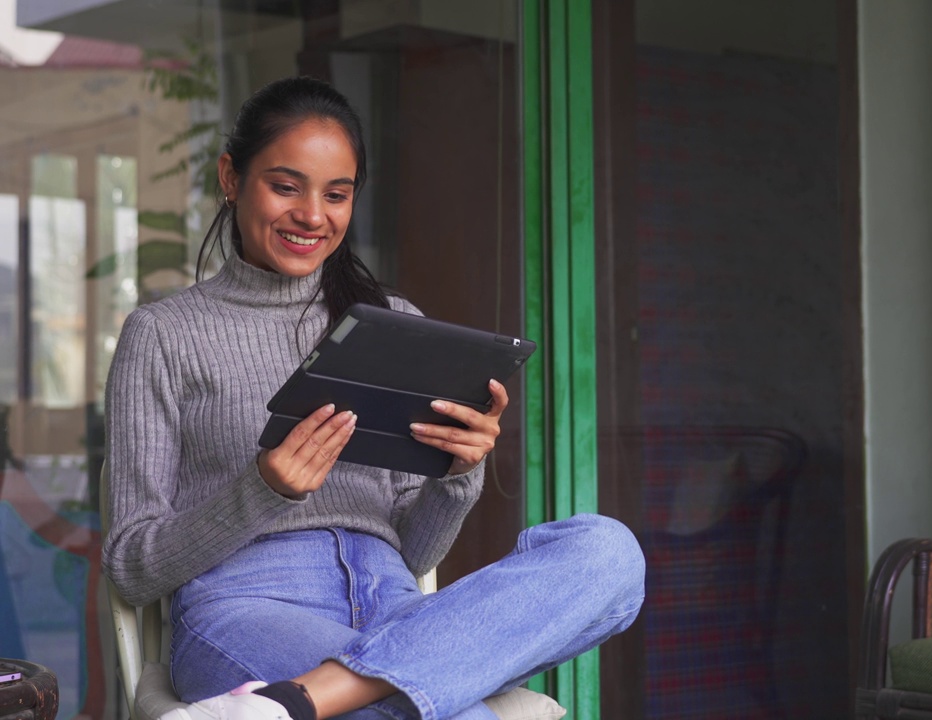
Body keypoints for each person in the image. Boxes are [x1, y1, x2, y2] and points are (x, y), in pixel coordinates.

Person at [101, 75, 645, 720]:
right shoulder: (163, 334)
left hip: (398, 605)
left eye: (337, 195)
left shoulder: (393, 323)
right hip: (250, 605)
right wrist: (262, 489)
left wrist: (457, 475)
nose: (312, 215)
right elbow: (131, 567)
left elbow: (414, 555)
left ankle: (294, 703)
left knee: (607, 552)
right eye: (285, 186)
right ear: (230, 177)